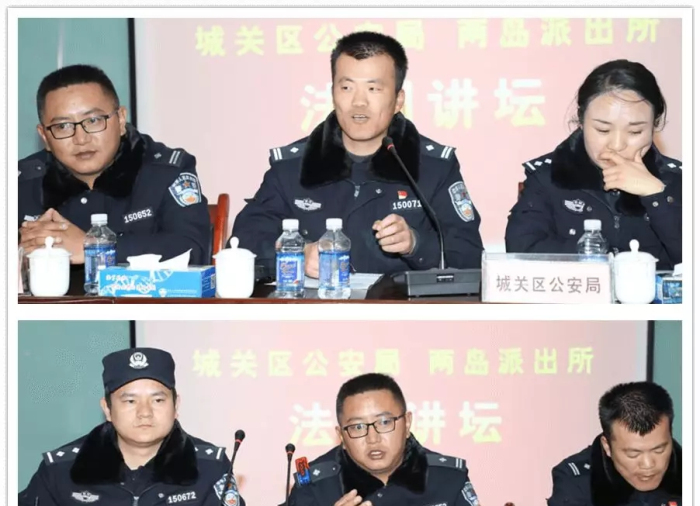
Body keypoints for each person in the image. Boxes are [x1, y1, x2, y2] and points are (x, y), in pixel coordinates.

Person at [232, 31, 482, 279]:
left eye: (373, 88)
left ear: (398, 100)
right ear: (333, 94)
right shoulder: (293, 167)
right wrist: (297, 253)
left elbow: (469, 255)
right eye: (347, 87)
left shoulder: (433, 167)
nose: (359, 102)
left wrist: (416, 244)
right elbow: (243, 242)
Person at [18, 347, 253, 506]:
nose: (145, 413)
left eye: (158, 400)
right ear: (107, 409)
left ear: (176, 405)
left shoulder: (209, 467)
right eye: (130, 401)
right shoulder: (62, 470)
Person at [277, 373, 490, 506]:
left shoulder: (445, 477)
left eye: (385, 422)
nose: (373, 438)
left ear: (407, 423)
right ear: (341, 436)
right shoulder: (317, 484)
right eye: (357, 427)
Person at [19, 65, 211, 267]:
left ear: (120, 120)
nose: (81, 139)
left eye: (93, 120)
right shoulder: (20, 183)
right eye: (63, 126)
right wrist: (19, 252)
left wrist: (93, 248)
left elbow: (193, 250)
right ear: (44, 136)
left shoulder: (164, 172)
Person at [506, 60, 681, 267]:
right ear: (581, 121)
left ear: (654, 125)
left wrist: (657, 195)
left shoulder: (678, 179)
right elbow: (522, 250)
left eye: (635, 132)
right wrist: (602, 258)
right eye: (603, 130)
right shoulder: (549, 176)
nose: (617, 145)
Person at [545, 381, 681, 506]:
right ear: (607, 446)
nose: (648, 464)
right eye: (633, 454)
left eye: (659, 450)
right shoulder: (576, 477)